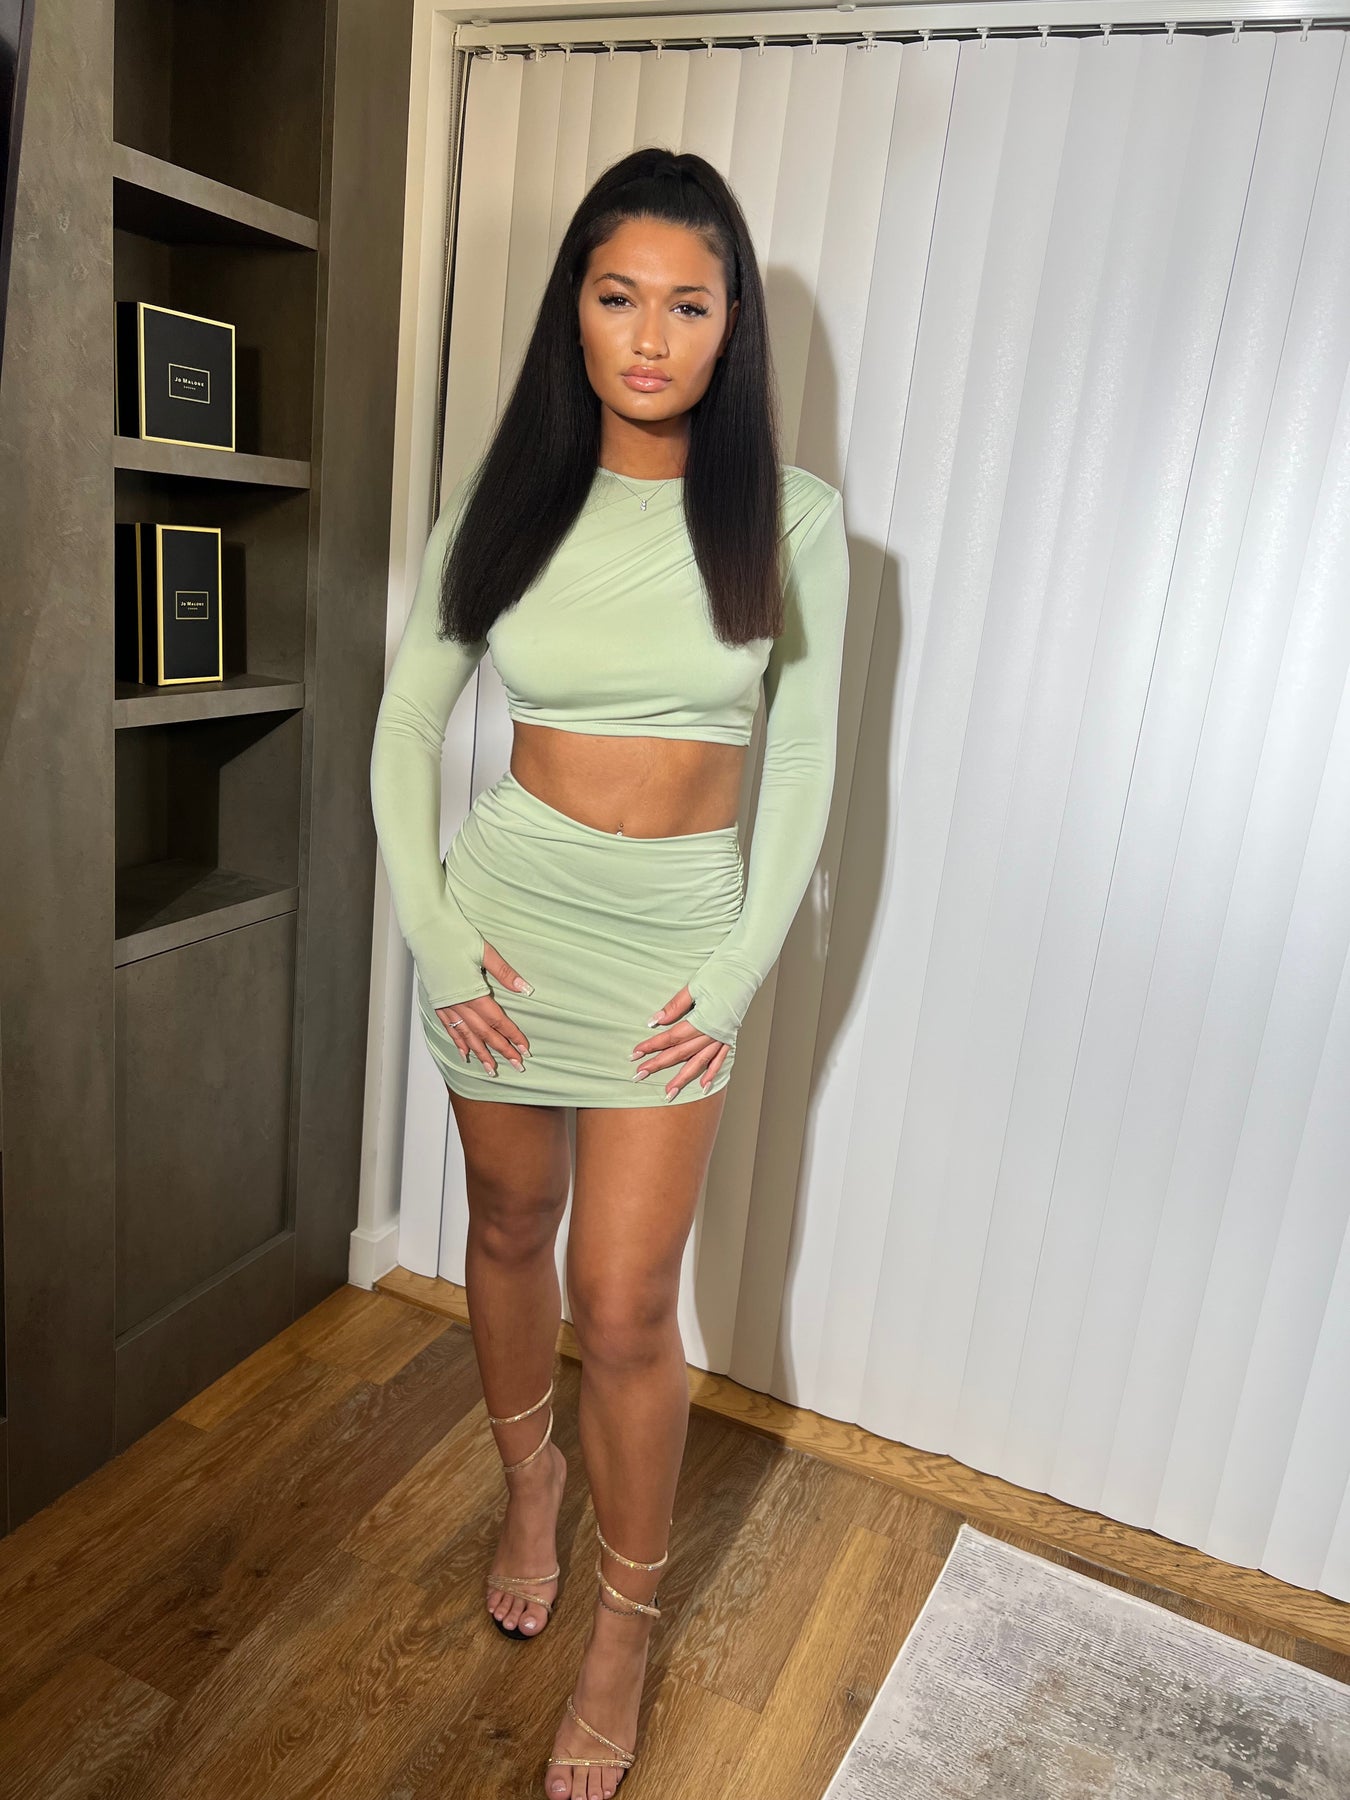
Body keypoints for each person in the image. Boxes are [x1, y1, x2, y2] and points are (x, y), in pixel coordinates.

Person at [370, 146, 849, 1800]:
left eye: (688, 305)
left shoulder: (788, 519)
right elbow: (406, 726)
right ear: (574, 309)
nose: (649, 336)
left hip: (668, 954)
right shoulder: (506, 504)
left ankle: (626, 1629)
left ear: (731, 328)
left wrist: (730, 975)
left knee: (628, 1301)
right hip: (504, 926)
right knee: (509, 1228)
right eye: (618, 294)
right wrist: (438, 933)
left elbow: (801, 764)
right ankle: (528, 1486)